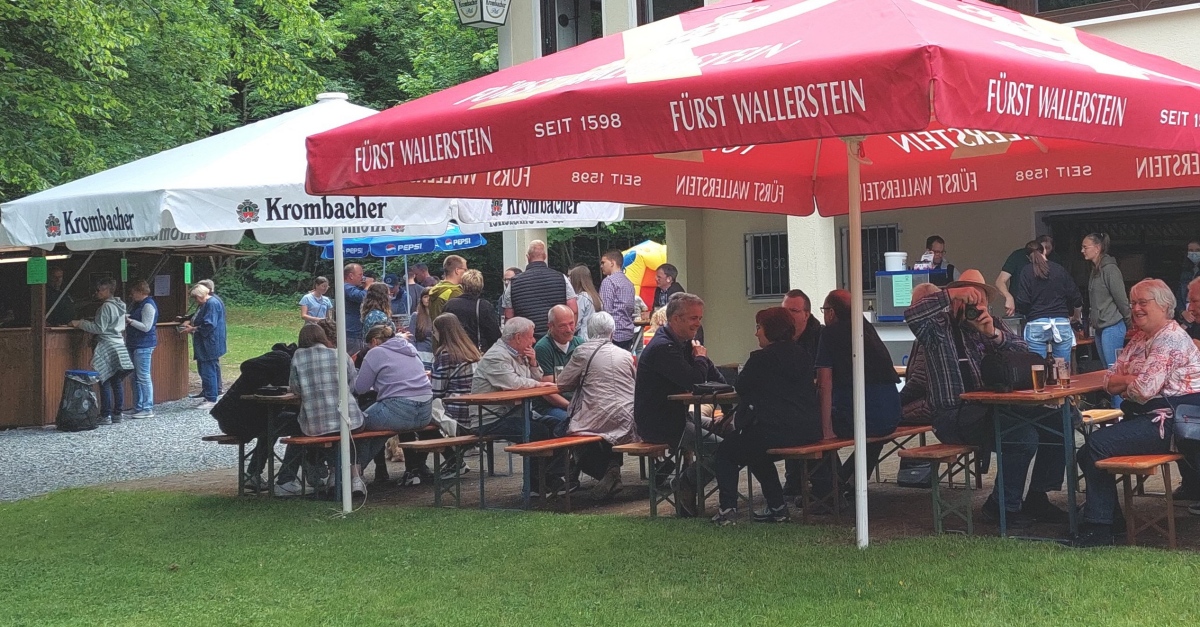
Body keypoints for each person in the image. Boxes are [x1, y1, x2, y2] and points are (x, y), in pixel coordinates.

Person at [906, 268, 1067, 529]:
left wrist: (994, 334)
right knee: (1022, 436)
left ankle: (1038, 495)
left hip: (995, 409)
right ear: (956, 299)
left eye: (978, 299)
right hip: (954, 414)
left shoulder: (992, 323)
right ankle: (1002, 506)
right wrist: (952, 294)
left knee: (1060, 419)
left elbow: (1027, 353)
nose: (974, 305)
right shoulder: (939, 329)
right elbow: (912, 315)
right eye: (968, 299)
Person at [1075, 279, 1200, 546]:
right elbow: (1108, 381)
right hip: (1147, 418)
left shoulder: (1170, 338)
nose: (1136, 308)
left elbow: (1143, 389)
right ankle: (1112, 520)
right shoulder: (1141, 338)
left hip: (1170, 424)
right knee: (1085, 452)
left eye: (1143, 302)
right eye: (1133, 303)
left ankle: (1097, 529)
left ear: (1165, 305)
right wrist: (1129, 380)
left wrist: (1129, 379)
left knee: (1096, 444)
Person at [709, 307, 820, 525]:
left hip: (776, 431)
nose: (756, 333)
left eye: (759, 327)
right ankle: (778, 507)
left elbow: (740, 387)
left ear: (771, 329)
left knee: (726, 451)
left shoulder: (761, 359)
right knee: (755, 451)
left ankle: (727, 509)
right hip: (808, 430)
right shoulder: (803, 355)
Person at [814, 289, 901, 486]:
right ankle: (845, 482)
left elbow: (824, 383)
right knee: (874, 434)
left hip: (862, 418)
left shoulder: (829, 334)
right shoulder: (867, 328)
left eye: (824, 310)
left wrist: (826, 429)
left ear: (831, 312)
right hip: (891, 417)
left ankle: (827, 489)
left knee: (810, 425)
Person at [470, 317, 564, 493]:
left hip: (514, 414)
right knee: (538, 432)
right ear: (519, 337)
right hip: (490, 418)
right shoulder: (496, 356)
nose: (534, 340)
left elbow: (531, 380)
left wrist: (534, 364)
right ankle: (534, 485)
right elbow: (513, 383)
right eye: (531, 336)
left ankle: (549, 477)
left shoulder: (520, 354)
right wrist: (539, 384)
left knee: (559, 425)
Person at [556, 312, 637, 500]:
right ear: (612, 332)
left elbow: (563, 383)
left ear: (589, 331)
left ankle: (607, 472)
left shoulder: (582, 352)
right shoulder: (625, 355)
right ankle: (612, 470)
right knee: (610, 432)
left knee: (572, 433)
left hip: (596, 417)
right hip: (629, 417)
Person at [635, 293, 724, 451]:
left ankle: (692, 475)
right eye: (693, 318)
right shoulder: (663, 347)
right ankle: (686, 477)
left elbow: (714, 376)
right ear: (676, 319)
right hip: (661, 425)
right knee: (724, 450)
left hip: (681, 418)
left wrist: (727, 413)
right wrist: (700, 358)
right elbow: (694, 381)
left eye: (700, 318)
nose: (698, 324)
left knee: (732, 433)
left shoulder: (684, 343)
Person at [289, 325, 370, 496]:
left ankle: (334, 474)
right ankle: (355, 477)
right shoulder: (340, 354)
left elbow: (295, 388)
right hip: (349, 418)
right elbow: (352, 384)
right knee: (354, 433)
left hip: (315, 424)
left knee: (329, 436)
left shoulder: (298, 356)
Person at [353, 324, 437, 488]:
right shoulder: (409, 348)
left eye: (369, 344)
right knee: (378, 433)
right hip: (425, 411)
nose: (368, 348)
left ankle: (354, 473)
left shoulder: (376, 352)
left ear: (375, 341)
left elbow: (360, 388)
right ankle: (412, 468)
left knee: (359, 425)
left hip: (399, 409)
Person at [210, 341, 298, 494]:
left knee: (277, 423)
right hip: (236, 416)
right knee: (294, 424)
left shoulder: (284, 360)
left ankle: (254, 474)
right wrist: (269, 388)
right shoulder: (282, 358)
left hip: (240, 416)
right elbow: (248, 365)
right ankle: (288, 478)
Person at [70, 278, 133, 424]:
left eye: (99, 290)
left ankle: (106, 415)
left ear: (107, 291)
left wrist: (80, 323)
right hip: (118, 343)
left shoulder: (106, 307)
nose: (97, 292)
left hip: (106, 344)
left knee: (104, 379)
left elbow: (99, 328)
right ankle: (118, 412)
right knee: (116, 380)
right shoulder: (120, 305)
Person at [780, 288, 823, 496]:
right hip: (791, 401)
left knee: (795, 416)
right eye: (784, 311)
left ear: (806, 314)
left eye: (794, 311)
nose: (787, 316)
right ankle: (794, 481)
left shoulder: (820, 336)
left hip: (819, 402)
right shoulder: (779, 336)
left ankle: (823, 482)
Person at [430, 312, 483, 476]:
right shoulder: (472, 351)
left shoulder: (445, 354)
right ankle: (453, 461)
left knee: (422, 419)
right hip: (476, 414)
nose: (433, 334)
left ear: (442, 332)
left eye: (434, 331)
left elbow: (437, 391)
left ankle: (453, 461)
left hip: (456, 415)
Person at [1016, 243, 1082, 362]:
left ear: (1027, 257)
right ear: (1045, 251)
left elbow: (1022, 301)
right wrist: (1076, 317)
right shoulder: (1059, 269)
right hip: (1061, 324)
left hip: (1036, 324)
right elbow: (1076, 298)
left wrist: (1028, 314)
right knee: (1062, 369)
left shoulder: (1026, 271)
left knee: (1038, 368)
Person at [502, 240, 578, 338]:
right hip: (556, 338)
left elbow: (509, 317)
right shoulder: (561, 278)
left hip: (527, 339)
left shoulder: (513, 283)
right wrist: (568, 334)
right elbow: (573, 310)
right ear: (545, 256)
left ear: (528, 257)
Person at [1083, 233, 1131, 375]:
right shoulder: (1095, 269)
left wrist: (1128, 320)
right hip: (1100, 327)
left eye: (1085, 247)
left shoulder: (1110, 269)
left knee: (1113, 372)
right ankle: (1113, 398)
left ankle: (1119, 399)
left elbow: (1121, 299)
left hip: (1112, 325)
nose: (1082, 250)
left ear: (1097, 248)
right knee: (1107, 373)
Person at [534, 305, 584, 435]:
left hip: (576, 404)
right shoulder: (543, 348)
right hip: (551, 406)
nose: (569, 329)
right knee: (570, 423)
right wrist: (571, 407)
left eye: (571, 324)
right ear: (550, 326)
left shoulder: (580, 344)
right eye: (563, 326)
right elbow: (548, 392)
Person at [900, 283, 942, 425]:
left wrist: (895, 401)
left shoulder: (930, 333)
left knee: (880, 419)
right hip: (933, 404)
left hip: (929, 405)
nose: (909, 309)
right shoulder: (941, 327)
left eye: (913, 304)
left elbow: (919, 383)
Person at [181, 283, 227, 409]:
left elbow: (209, 324)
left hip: (209, 343)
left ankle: (211, 398)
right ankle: (213, 392)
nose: (195, 301)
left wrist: (193, 329)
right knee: (211, 367)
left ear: (201, 295)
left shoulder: (211, 304)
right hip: (210, 342)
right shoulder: (207, 303)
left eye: (196, 298)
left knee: (207, 369)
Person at [124, 279, 158, 419]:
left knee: (143, 376)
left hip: (143, 344)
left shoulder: (148, 306)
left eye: (133, 293)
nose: (132, 295)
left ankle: (147, 407)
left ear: (139, 292)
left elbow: (146, 327)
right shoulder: (139, 304)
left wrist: (130, 321)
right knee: (135, 377)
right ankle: (138, 406)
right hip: (135, 343)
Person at [444, 269, 501, 352]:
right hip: (476, 352)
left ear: (462, 285)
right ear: (481, 285)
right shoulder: (484, 306)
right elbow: (494, 334)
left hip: (455, 350)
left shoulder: (450, 305)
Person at [996, 235, 1054, 316]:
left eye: (1048, 249)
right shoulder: (1017, 256)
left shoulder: (1054, 260)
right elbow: (1000, 281)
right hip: (1020, 310)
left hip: (1046, 311)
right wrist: (1009, 297)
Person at [599, 250, 638, 351]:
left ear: (612, 263)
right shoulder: (629, 283)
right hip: (628, 333)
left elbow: (606, 312)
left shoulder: (608, 282)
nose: (601, 266)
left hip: (613, 335)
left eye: (603, 262)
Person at [568, 265, 602, 340]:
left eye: (571, 277)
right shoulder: (595, 296)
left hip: (583, 338)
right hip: (594, 336)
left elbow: (577, 322)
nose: (569, 279)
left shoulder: (582, 297)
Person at [428, 255, 467, 319]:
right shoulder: (454, 292)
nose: (466, 273)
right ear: (457, 270)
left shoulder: (436, 289)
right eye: (465, 270)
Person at [342, 263, 368, 355]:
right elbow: (361, 297)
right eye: (360, 275)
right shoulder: (345, 287)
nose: (362, 277)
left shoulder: (352, 288)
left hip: (355, 332)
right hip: (351, 333)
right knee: (352, 361)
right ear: (351, 276)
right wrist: (368, 286)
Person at [410, 287, 435, 363]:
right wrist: (414, 354)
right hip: (421, 354)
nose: (427, 299)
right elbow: (411, 337)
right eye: (425, 297)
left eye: (430, 296)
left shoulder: (439, 315)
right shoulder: (416, 316)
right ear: (421, 299)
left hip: (435, 355)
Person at [1178, 240, 1200, 321]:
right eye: (1191, 250)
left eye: (1197, 250)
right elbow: (1179, 295)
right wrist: (1182, 312)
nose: (1194, 253)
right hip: (1186, 317)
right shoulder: (1183, 271)